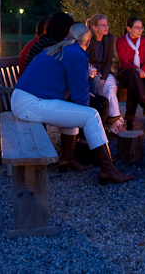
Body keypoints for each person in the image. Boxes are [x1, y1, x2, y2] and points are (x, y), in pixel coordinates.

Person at [12, 23, 135, 184]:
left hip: (24, 99)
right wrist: (85, 109)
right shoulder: (76, 54)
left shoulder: (61, 48)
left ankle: (67, 158)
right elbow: (80, 98)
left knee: (75, 112)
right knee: (91, 116)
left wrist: (81, 97)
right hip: (31, 102)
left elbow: (68, 85)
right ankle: (108, 169)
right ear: (88, 41)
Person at [87, 14, 124, 134]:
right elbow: (87, 60)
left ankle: (114, 123)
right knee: (99, 88)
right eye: (103, 25)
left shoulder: (108, 38)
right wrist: (97, 75)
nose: (106, 27)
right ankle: (115, 123)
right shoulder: (88, 39)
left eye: (106, 24)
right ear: (95, 27)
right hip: (91, 72)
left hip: (105, 72)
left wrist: (104, 76)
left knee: (111, 88)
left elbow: (109, 60)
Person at [115, 17, 145, 130]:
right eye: (137, 27)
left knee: (134, 81)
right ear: (128, 29)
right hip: (125, 72)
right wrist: (137, 70)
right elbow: (124, 61)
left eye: (141, 27)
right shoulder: (121, 41)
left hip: (143, 73)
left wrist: (141, 71)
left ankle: (129, 121)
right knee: (133, 74)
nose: (140, 30)